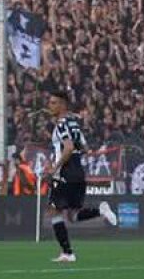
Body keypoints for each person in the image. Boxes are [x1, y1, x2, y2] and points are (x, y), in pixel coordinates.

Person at [43, 89, 118, 263]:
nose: (50, 105)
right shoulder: (74, 124)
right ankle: (100, 211)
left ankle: (68, 253)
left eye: (53, 103)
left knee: (54, 210)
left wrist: (54, 167)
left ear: (62, 105)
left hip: (65, 172)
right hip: (78, 171)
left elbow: (68, 148)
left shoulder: (62, 124)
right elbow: (84, 148)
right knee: (73, 216)